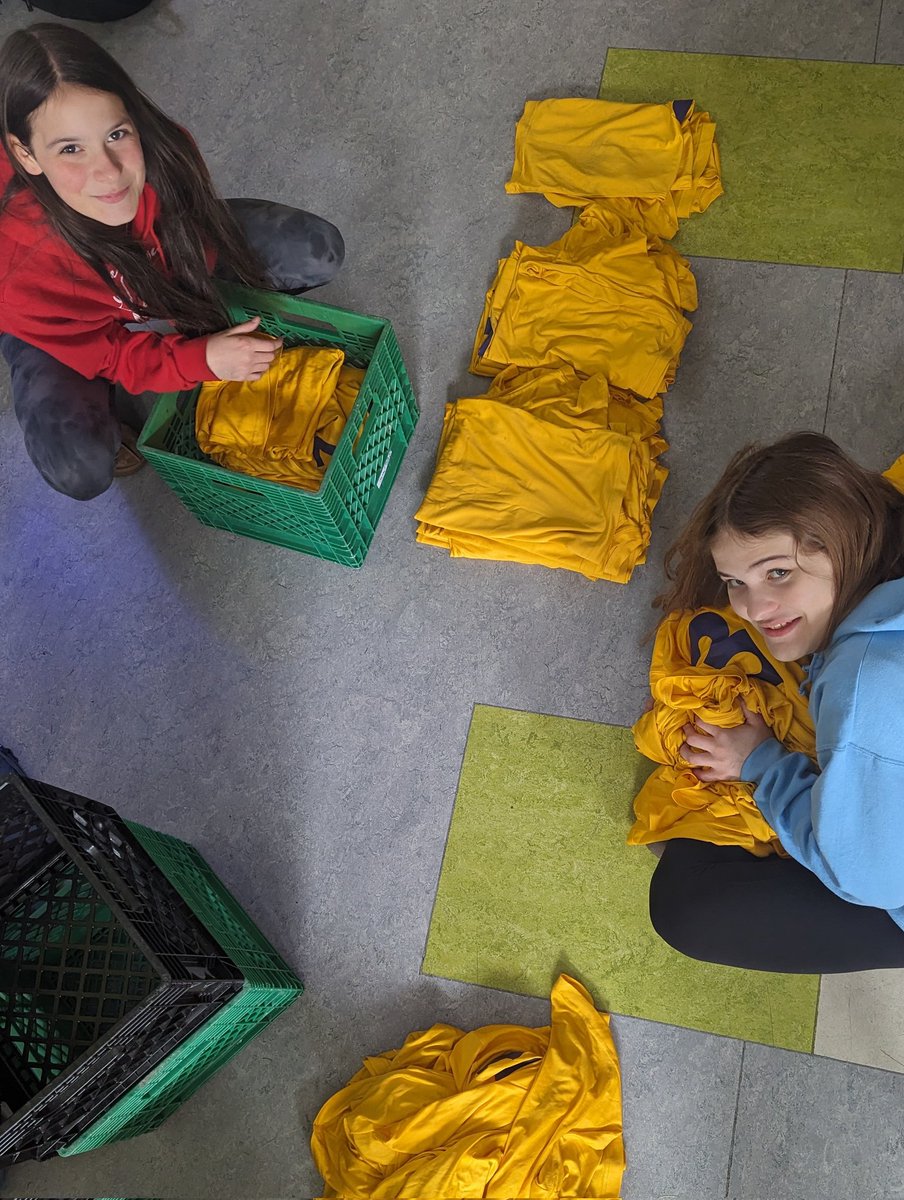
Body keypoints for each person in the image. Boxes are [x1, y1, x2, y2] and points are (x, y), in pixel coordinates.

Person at [0, 22, 344, 500]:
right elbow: (110, 351)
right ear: (26, 155)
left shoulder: (162, 152)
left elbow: (195, 232)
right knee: (76, 464)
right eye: (71, 150)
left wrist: (190, 298)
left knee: (315, 250)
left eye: (116, 134)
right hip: (56, 323)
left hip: (145, 269)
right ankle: (104, 420)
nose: (109, 173)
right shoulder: (18, 271)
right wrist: (199, 359)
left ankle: (195, 301)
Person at [647, 432, 904, 973]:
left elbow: (864, 877)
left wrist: (760, 763)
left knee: (684, 902)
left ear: (842, 539)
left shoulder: (859, 686)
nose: (752, 608)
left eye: (778, 573)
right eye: (735, 581)